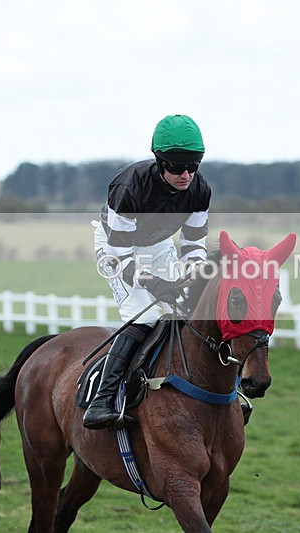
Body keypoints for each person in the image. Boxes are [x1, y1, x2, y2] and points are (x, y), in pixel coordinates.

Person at [83, 114, 211, 429]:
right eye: (177, 167)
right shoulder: (129, 187)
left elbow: (194, 246)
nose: (186, 175)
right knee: (145, 314)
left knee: (184, 309)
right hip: (117, 248)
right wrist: (152, 282)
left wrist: (195, 272)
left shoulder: (200, 190)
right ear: (159, 162)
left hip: (158, 244)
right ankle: (102, 398)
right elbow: (122, 257)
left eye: (192, 167)